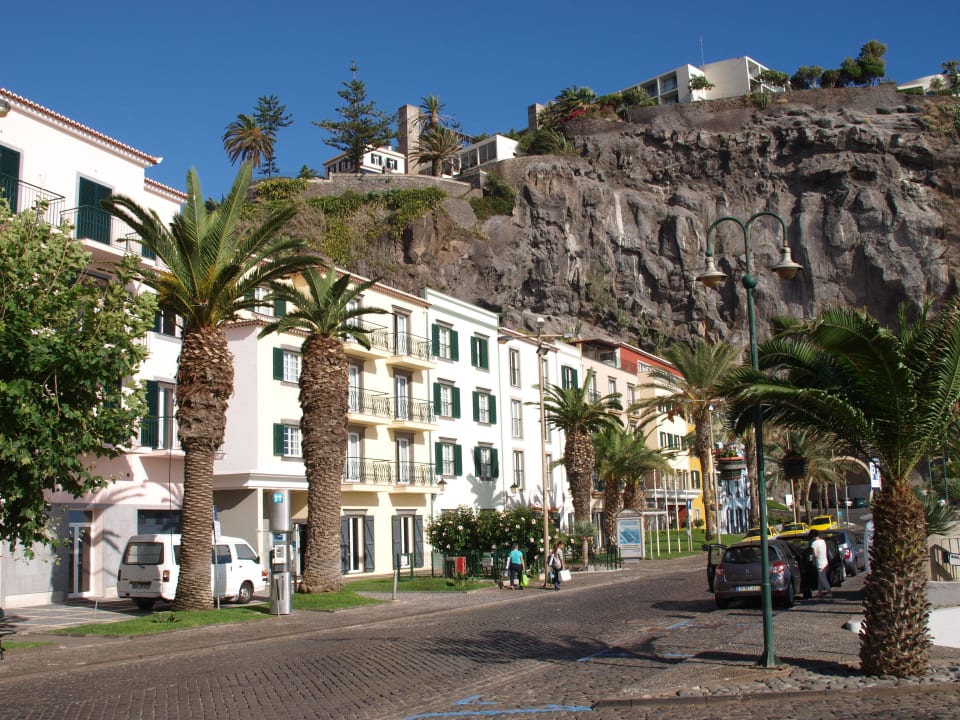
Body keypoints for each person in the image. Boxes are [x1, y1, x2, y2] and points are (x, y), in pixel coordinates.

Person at [810, 529, 831, 597]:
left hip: (819, 563)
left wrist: (812, 560)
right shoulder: (823, 541)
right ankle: (820, 591)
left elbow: (815, 554)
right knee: (820, 578)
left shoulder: (814, 544)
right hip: (825, 561)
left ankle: (829, 591)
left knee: (823, 578)